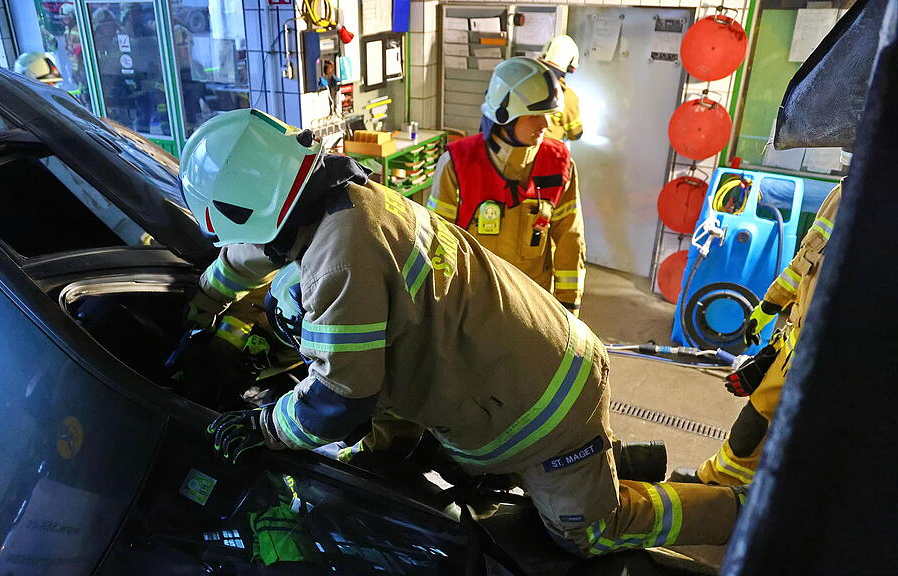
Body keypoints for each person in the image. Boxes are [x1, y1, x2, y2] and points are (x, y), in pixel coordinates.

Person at [180, 106, 745, 557]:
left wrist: (266, 425)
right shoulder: (338, 199)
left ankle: (738, 513)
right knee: (394, 458)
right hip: (519, 366)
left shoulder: (340, 259)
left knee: (587, 534)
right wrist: (204, 297)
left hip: (544, 407)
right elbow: (252, 250)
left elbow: (337, 397)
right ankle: (610, 462)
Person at [672, 183, 842, 486]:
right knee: (753, 425)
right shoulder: (845, 192)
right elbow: (805, 262)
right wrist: (769, 305)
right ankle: (719, 486)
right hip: (795, 350)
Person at [427, 57, 586, 315]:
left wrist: (569, 310)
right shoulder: (457, 165)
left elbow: (570, 240)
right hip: (473, 306)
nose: (545, 125)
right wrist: (439, 310)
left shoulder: (559, 165)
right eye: (535, 115)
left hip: (534, 308)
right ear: (504, 116)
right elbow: (437, 242)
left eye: (547, 114)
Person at [540, 35, 583, 142]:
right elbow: (575, 134)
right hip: (547, 153)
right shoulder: (567, 96)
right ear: (570, 66)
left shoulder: (525, 81)